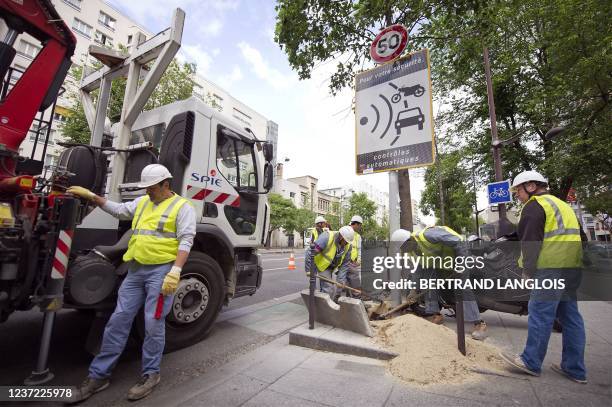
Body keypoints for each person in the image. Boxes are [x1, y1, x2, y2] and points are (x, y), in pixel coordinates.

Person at [67, 164, 197, 402]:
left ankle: (151, 374)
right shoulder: (143, 202)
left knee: (153, 323)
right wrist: (92, 197)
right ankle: (99, 375)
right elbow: (119, 210)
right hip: (135, 270)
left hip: (162, 272)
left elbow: (186, 241)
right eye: (146, 188)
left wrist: (175, 271)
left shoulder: (183, 207)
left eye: (152, 188)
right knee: (118, 320)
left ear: (165, 185)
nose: (148, 192)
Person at [500, 171, 586, 383]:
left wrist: (528, 271)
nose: (517, 196)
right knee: (571, 318)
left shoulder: (534, 205)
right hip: (571, 268)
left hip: (549, 269)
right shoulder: (562, 205)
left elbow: (531, 242)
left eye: (518, 190)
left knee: (540, 314)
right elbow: (582, 237)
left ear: (531, 186)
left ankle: (531, 361)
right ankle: (574, 369)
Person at [391, 227, 488, 340]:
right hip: (443, 265)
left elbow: (459, 242)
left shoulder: (428, 235)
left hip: (459, 258)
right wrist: (413, 291)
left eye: (404, 247)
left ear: (410, 239)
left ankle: (479, 324)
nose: (404, 251)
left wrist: (460, 265)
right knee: (427, 279)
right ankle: (435, 314)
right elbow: (419, 270)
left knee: (461, 286)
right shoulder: (412, 252)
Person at [305, 225, 354, 299]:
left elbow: (345, 264)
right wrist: (308, 270)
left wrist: (340, 280)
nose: (347, 243)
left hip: (331, 266)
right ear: (341, 237)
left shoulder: (348, 246)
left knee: (334, 288)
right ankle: (322, 306)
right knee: (328, 288)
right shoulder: (326, 237)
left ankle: (323, 301)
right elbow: (310, 252)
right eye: (346, 241)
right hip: (320, 264)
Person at [337, 215, 363, 296]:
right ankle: (356, 295)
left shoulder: (357, 236)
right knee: (353, 277)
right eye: (360, 225)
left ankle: (349, 297)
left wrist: (358, 260)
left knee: (347, 280)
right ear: (356, 224)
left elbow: (359, 249)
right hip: (345, 260)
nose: (360, 227)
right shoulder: (345, 231)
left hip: (352, 261)